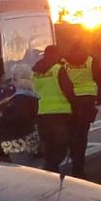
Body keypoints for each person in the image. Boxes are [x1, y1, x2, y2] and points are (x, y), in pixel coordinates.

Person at [62, 41, 101, 178]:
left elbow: (60, 81)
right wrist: (100, 98)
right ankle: (78, 167)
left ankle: (74, 155)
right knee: (82, 134)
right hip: (87, 101)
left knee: (71, 132)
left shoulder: (63, 62)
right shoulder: (91, 61)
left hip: (70, 101)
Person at [31, 44, 79, 174]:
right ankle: (52, 169)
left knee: (48, 145)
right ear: (55, 54)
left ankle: (50, 171)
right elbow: (68, 90)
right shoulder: (58, 69)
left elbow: (32, 91)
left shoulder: (35, 71)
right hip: (60, 114)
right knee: (60, 146)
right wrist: (76, 106)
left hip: (42, 113)